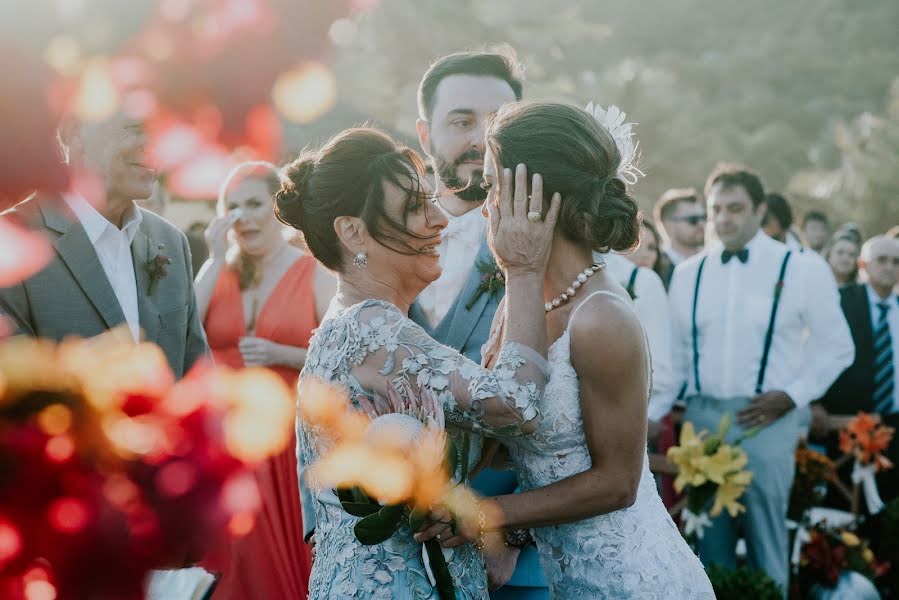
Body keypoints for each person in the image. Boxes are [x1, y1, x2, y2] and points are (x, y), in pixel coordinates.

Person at [435, 102, 714, 598]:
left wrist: (488, 516)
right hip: (571, 582)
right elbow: (502, 439)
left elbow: (617, 483)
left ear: (536, 195)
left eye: (497, 185)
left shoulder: (602, 317)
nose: (487, 205)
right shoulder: (521, 302)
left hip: (634, 582)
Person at [278, 126, 559, 599]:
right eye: (414, 207)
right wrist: (526, 271)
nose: (439, 220)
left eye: (431, 200)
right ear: (352, 231)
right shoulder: (372, 329)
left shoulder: (348, 324)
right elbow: (519, 408)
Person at [667, 164, 855, 594]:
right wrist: (656, 414)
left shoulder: (801, 268)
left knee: (766, 543)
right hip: (702, 420)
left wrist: (792, 395)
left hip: (767, 421)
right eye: (716, 209)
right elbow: (675, 357)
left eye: (736, 208)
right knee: (706, 546)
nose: (724, 219)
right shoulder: (687, 274)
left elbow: (838, 347)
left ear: (759, 209)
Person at [408, 48, 548, 599]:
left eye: (498, 124)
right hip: (394, 552)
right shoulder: (376, 245)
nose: (482, 140)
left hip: (515, 561)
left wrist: (513, 537)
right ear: (425, 134)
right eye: (462, 121)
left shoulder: (554, 250)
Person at [193, 161, 335, 600]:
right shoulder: (219, 271)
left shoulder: (313, 269)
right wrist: (215, 261)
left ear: (278, 208)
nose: (243, 217)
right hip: (223, 443)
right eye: (232, 206)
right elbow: (185, 333)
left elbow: (340, 355)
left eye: (254, 204)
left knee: (285, 558)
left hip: (289, 442)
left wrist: (282, 355)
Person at [0, 109, 208, 379]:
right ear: (74, 134)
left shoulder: (170, 241)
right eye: (135, 128)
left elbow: (198, 373)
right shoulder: (15, 243)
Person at [813, 236, 899, 504]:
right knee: (845, 510)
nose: (889, 267)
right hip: (847, 425)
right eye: (881, 260)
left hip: (895, 425)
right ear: (862, 264)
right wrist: (815, 402)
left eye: (896, 262)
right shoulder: (840, 302)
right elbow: (814, 352)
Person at [654, 187, 706, 286]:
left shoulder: (712, 258)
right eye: (693, 220)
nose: (702, 224)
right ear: (668, 224)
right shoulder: (654, 265)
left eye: (704, 218)